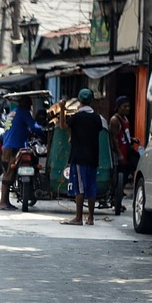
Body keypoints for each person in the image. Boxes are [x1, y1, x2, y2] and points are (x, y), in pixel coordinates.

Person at [63, 88, 105, 226]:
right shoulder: (96, 118)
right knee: (91, 186)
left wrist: (62, 108)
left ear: (79, 101)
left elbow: (63, 125)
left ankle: (78, 218)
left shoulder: (76, 117)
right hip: (93, 157)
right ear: (91, 101)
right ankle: (91, 218)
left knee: (80, 188)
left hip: (79, 157)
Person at [0, 94, 44, 210]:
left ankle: (5, 201)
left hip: (7, 146)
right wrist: (43, 132)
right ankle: (3, 202)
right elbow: (34, 127)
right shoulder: (23, 112)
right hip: (14, 147)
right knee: (9, 174)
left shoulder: (12, 113)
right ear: (28, 104)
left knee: (8, 173)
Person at [108, 96, 137, 215]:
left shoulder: (125, 119)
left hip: (126, 151)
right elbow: (114, 139)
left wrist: (132, 139)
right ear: (118, 107)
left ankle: (117, 200)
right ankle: (115, 200)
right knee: (118, 178)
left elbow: (124, 134)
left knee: (128, 172)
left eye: (128, 106)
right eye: (124, 106)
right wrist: (119, 154)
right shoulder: (115, 120)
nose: (127, 108)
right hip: (118, 154)